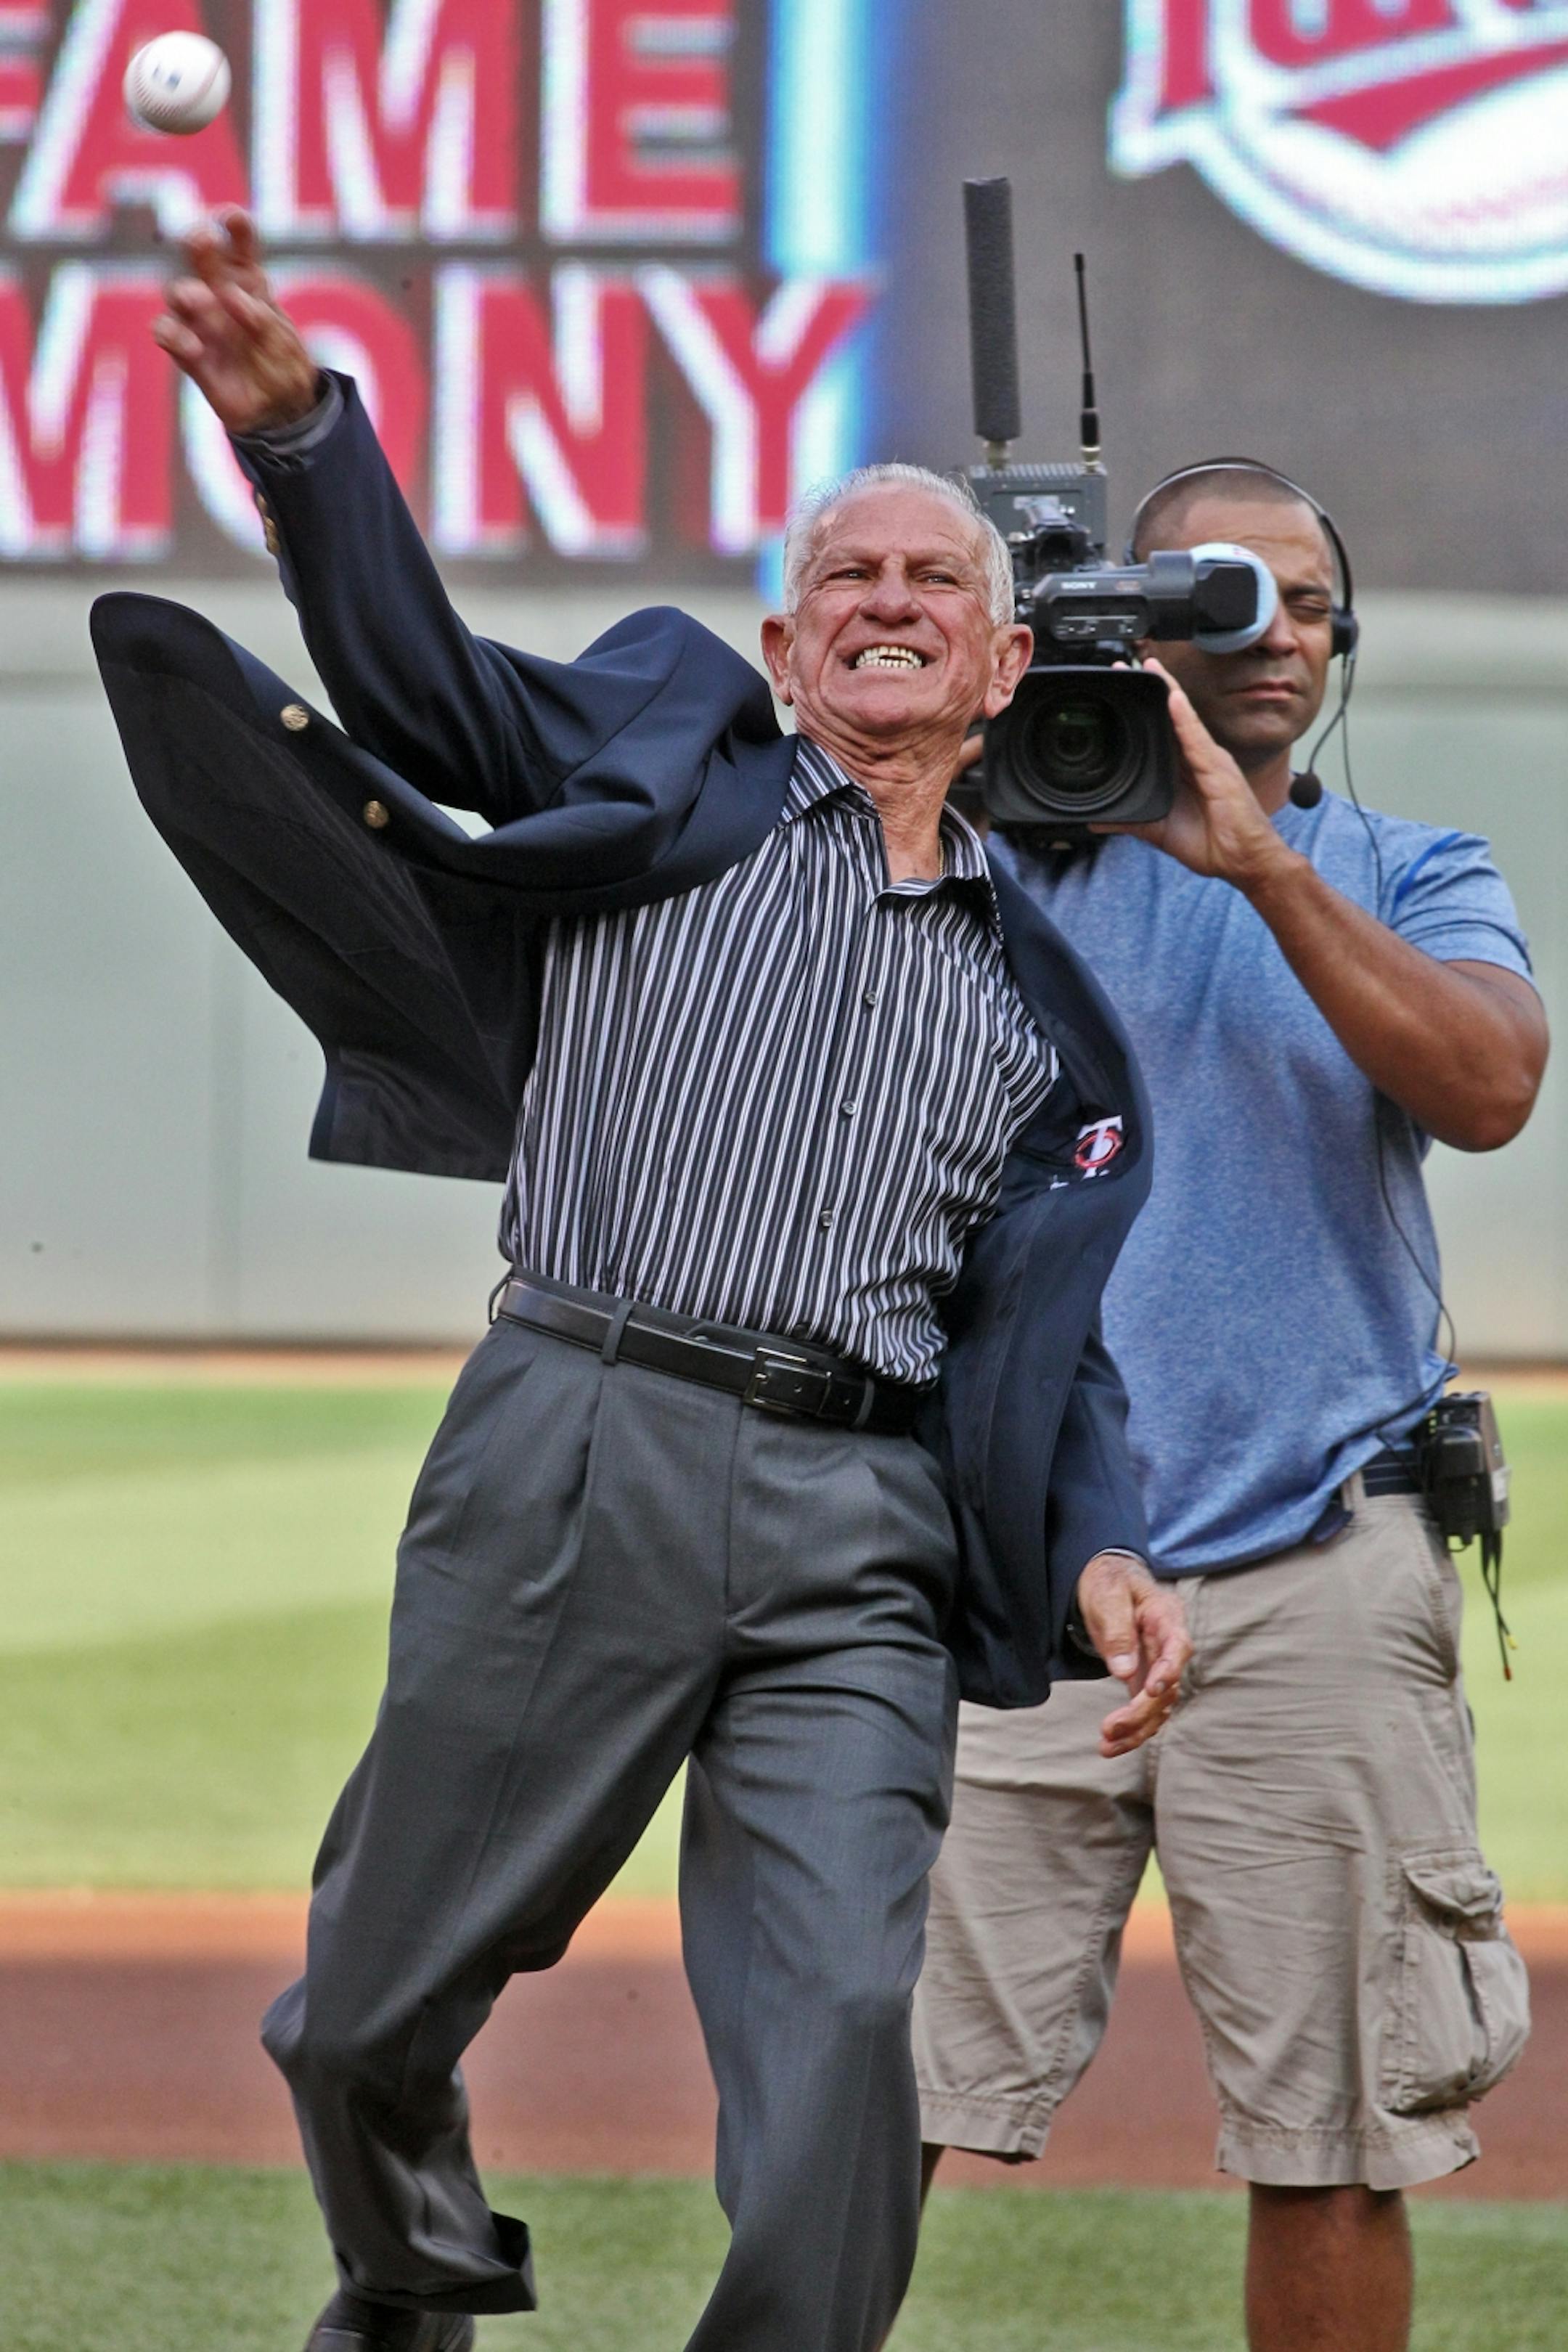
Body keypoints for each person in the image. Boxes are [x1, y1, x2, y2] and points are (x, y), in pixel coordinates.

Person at [94, 211, 1192, 2352]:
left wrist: (1110, 1544)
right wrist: (303, 439)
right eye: (849, 580)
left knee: (847, 2036)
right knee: (364, 2016)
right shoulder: (662, 770)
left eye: (936, 582)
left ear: (997, 666)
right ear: (788, 654)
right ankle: (407, 2281)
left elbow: (1038, 1346)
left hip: (859, 1533)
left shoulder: (1051, 1004)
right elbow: (425, 688)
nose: (890, 602)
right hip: (577, 1441)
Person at [914, 460, 1546, 2352]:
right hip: (1016, 1574)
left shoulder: (1407, 871)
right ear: (1126, 618)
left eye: (1309, 604)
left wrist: (1256, 862)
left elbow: (1490, 1084)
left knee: (1337, 2137)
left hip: (1313, 1557)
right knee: (864, 2093)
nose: (1275, 634)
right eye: (1219, 594)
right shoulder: (980, 861)